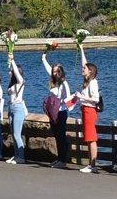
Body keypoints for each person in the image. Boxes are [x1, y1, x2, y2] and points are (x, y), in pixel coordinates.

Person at [41, 52, 73, 168]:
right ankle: (59, 158)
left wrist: (59, 101)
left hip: (61, 112)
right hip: (53, 112)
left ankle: (63, 160)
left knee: (61, 136)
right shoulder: (54, 82)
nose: (55, 73)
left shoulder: (64, 84)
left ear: (62, 72)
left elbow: (69, 98)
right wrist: (44, 58)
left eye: (58, 71)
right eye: (54, 71)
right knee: (56, 135)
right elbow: (48, 69)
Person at [75, 44, 100, 173]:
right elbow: (84, 62)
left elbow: (95, 99)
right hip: (85, 110)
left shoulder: (93, 83)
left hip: (90, 110)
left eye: (85, 69)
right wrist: (81, 48)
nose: (82, 69)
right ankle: (91, 164)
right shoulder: (87, 81)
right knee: (88, 138)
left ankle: (93, 165)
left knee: (91, 138)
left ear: (90, 71)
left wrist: (82, 97)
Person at [6, 53, 27, 164]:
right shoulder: (12, 83)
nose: (9, 72)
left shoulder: (21, 82)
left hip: (18, 108)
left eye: (11, 71)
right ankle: (16, 155)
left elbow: (17, 73)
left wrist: (12, 60)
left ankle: (21, 157)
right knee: (13, 134)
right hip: (11, 108)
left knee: (17, 134)